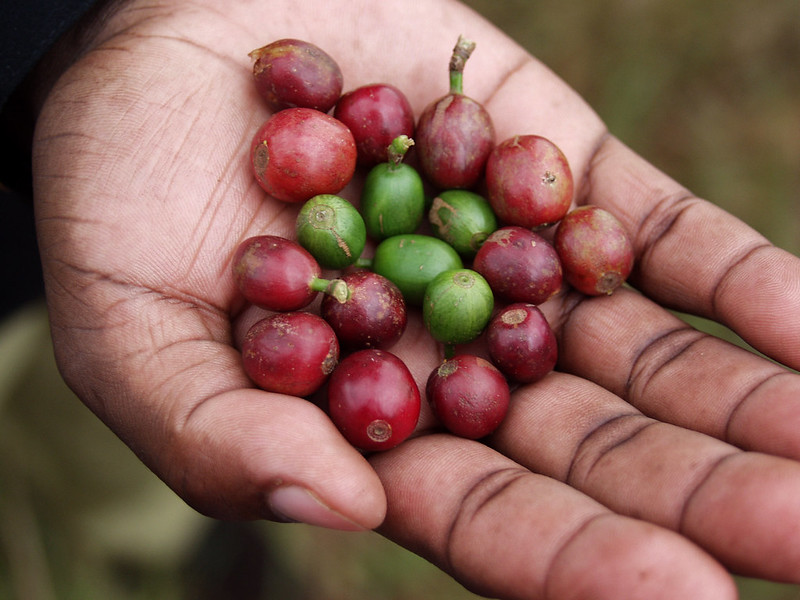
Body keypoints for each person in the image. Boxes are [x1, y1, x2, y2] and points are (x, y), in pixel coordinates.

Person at [3, 0, 800, 597]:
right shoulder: (373, 231)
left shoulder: (431, 236)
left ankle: (206, 554)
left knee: (112, 464)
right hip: (21, 246)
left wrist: (84, 18)